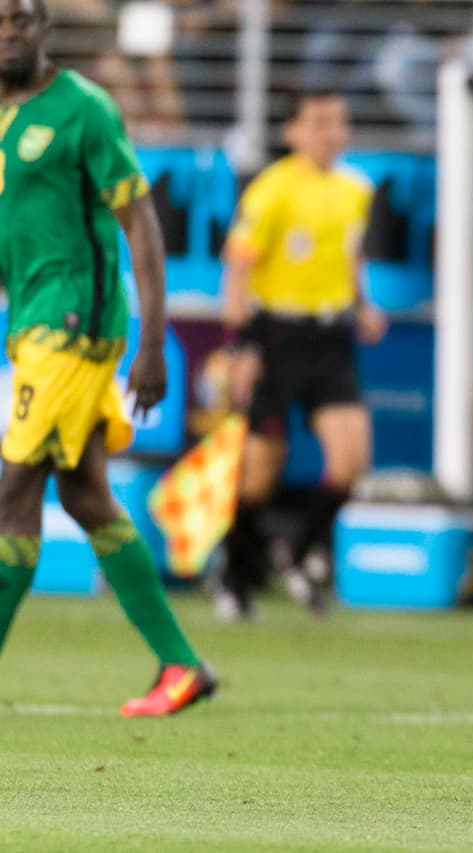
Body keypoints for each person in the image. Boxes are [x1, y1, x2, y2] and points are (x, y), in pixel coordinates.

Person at [0, 0, 214, 715]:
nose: (9, 31)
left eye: (22, 19)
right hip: (31, 322)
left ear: (45, 30)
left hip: (74, 325)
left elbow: (140, 221)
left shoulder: (83, 110)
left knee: (12, 495)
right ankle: (182, 665)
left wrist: (153, 341)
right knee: (86, 496)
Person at [217, 89, 386, 620]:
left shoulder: (356, 188)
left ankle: (296, 547)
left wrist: (362, 303)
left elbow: (349, 255)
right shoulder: (272, 190)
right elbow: (239, 268)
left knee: (351, 460)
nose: (328, 132)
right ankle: (234, 576)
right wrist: (242, 346)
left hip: (331, 337)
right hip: (276, 336)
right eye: (316, 122)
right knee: (261, 471)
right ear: (291, 131)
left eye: (337, 121)